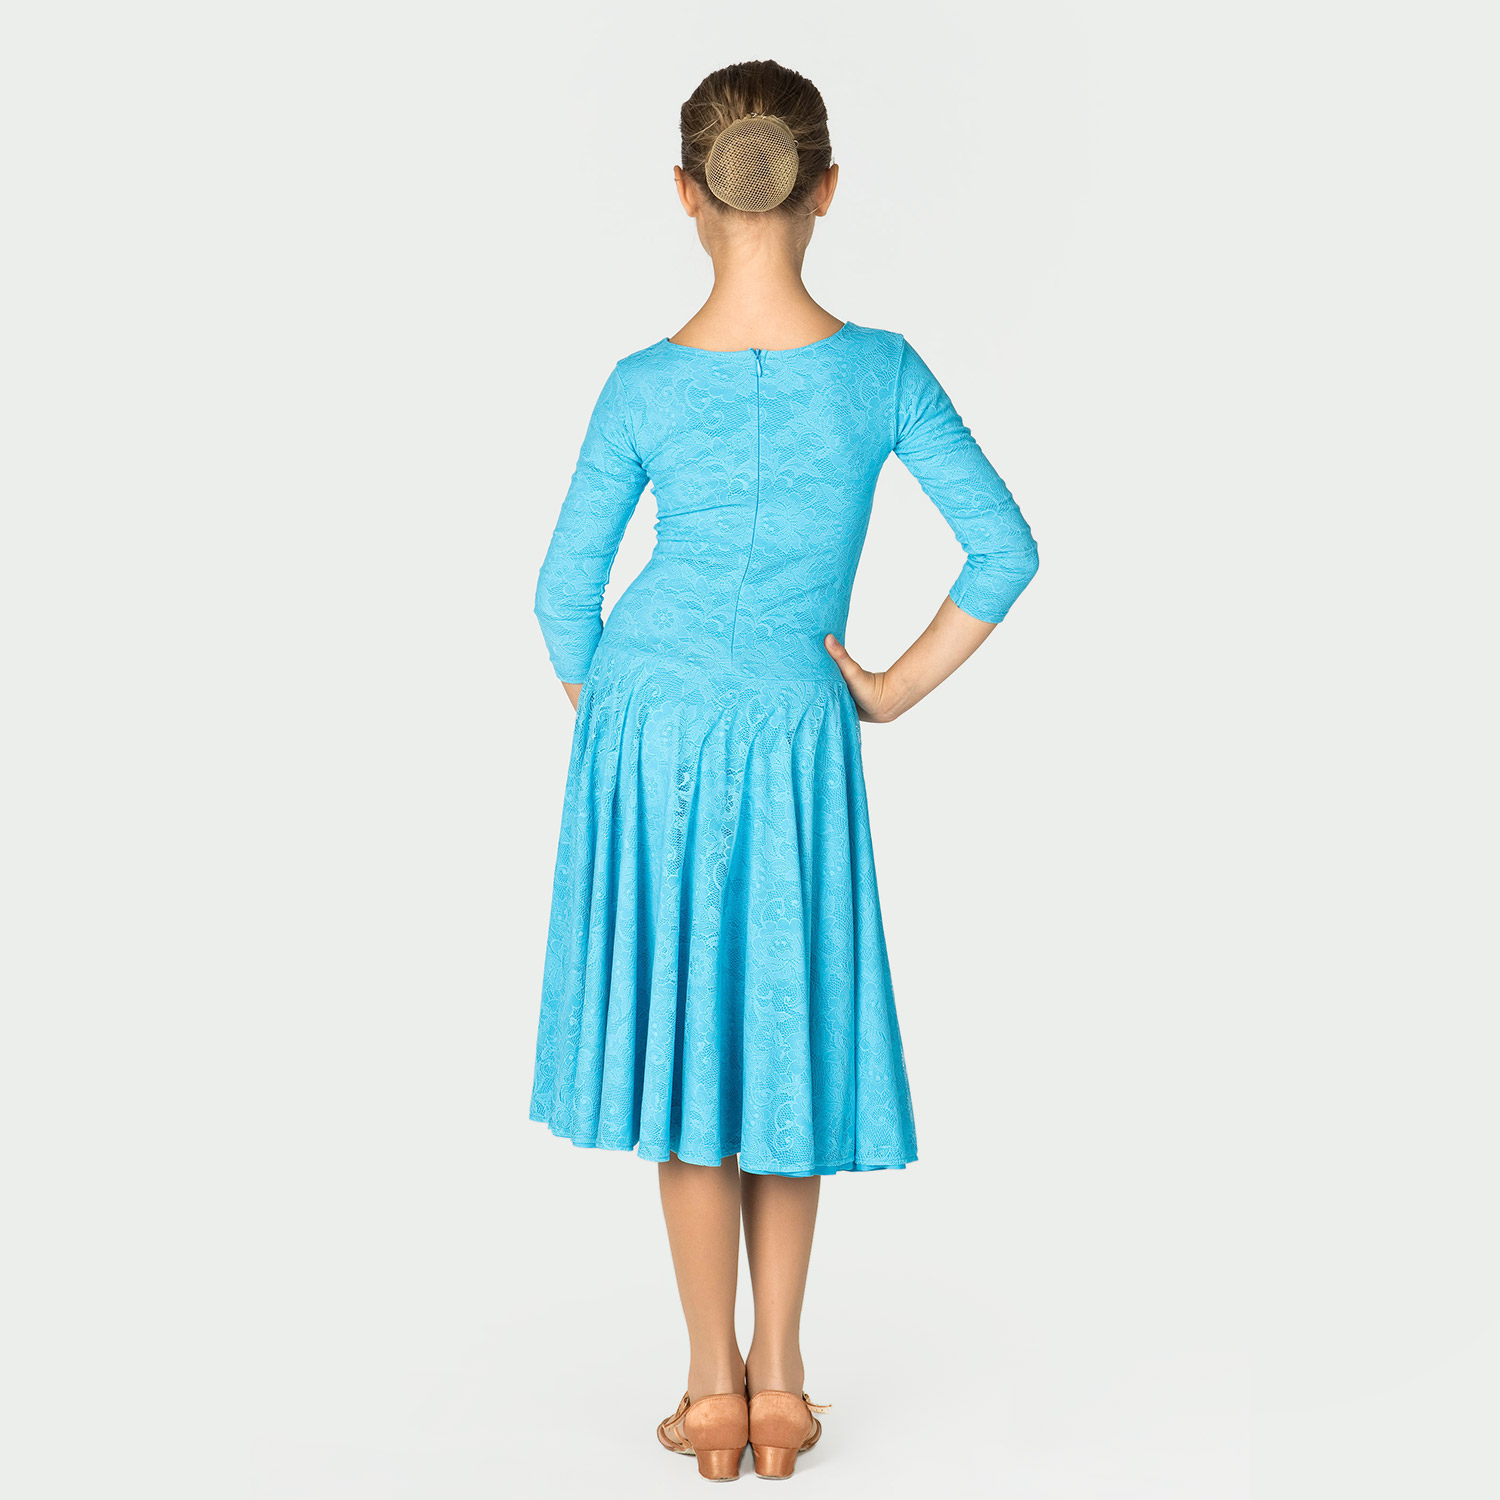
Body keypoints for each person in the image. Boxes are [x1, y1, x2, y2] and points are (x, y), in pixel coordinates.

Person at [528, 58, 1040, 1481]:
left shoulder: (641, 384)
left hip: (652, 726)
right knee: (783, 1029)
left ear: (684, 195)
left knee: (690, 1044)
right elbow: (1004, 548)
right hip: (798, 732)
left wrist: (631, 728)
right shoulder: (881, 373)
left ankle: (710, 1389)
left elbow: (565, 599)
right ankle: (785, 1384)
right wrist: (885, 689)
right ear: (826, 189)